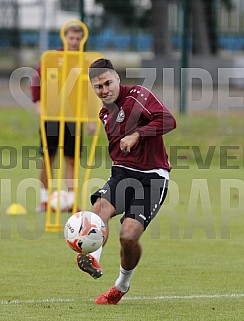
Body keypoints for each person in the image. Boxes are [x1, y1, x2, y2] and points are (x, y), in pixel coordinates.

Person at [76, 58, 176, 304]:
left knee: (128, 237)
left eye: (108, 83)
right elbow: (118, 151)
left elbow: (169, 120)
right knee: (99, 210)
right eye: (98, 87)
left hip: (153, 178)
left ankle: (121, 285)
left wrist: (138, 135)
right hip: (123, 173)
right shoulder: (104, 113)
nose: (105, 90)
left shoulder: (139, 95)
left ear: (118, 79)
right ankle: (93, 257)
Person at [31, 23, 95, 212]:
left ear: (82, 39)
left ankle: (72, 200)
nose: (74, 42)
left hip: (73, 117)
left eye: (78, 38)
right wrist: (38, 106)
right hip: (51, 115)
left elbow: (88, 92)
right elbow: (37, 82)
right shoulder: (51, 58)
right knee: (48, 158)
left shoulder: (84, 61)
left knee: (72, 159)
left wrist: (91, 118)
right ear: (64, 37)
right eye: (71, 38)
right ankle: (44, 200)